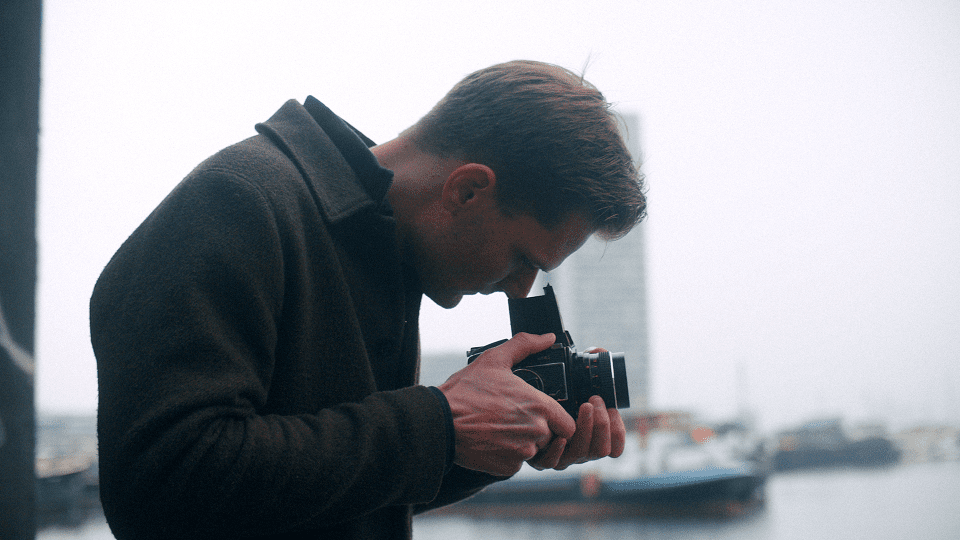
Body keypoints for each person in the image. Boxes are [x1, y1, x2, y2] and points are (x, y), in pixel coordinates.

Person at [90, 60, 646, 540]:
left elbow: (324, 500)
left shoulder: (383, 252)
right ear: (467, 190)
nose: (519, 287)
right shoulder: (238, 203)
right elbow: (162, 487)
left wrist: (486, 446)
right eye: (522, 257)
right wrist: (439, 426)